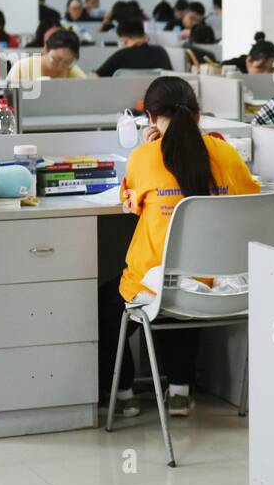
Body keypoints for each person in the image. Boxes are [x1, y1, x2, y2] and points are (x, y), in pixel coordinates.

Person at [101, 77, 260, 417]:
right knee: (188, 277)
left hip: (156, 286)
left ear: (152, 118)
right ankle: (179, 391)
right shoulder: (225, 153)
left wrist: (148, 150)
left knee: (108, 300)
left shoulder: (145, 157)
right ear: (198, 116)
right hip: (217, 286)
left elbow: (131, 203)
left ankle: (124, 393)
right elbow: (250, 195)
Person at [96, 15, 172, 76]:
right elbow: (170, 76)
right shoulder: (161, 52)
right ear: (144, 35)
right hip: (157, 94)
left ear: (124, 40)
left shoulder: (121, 55)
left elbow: (96, 76)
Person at [6, 28, 87, 84]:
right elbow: (6, 99)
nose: (60, 66)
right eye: (56, 59)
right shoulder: (23, 67)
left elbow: (87, 90)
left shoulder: (71, 70)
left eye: (67, 62)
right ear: (46, 49)